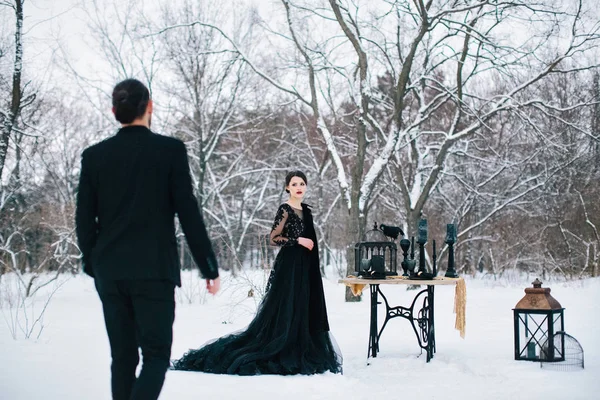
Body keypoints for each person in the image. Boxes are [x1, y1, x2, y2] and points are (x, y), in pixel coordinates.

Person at [75, 78, 220, 400]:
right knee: (156, 357)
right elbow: (188, 212)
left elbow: (84, 221)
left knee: (123, 359)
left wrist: (94, 263)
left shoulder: (94, 156)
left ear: (115, 110)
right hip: (154, 271)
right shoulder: (169, 151)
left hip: (110, 272)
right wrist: (208, 266)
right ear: (149, 106)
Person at [171, 171, 342, 375]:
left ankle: (302, 348)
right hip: (290, 267)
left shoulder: (307, 211)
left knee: (304, 307)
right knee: (287, 308)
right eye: (294, 183)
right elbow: (274, 238)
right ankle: (282, 348)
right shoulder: (285, 209)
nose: (299, 187)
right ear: (287, 187)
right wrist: (297, 241)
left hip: (306, 268)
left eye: (302, 183)